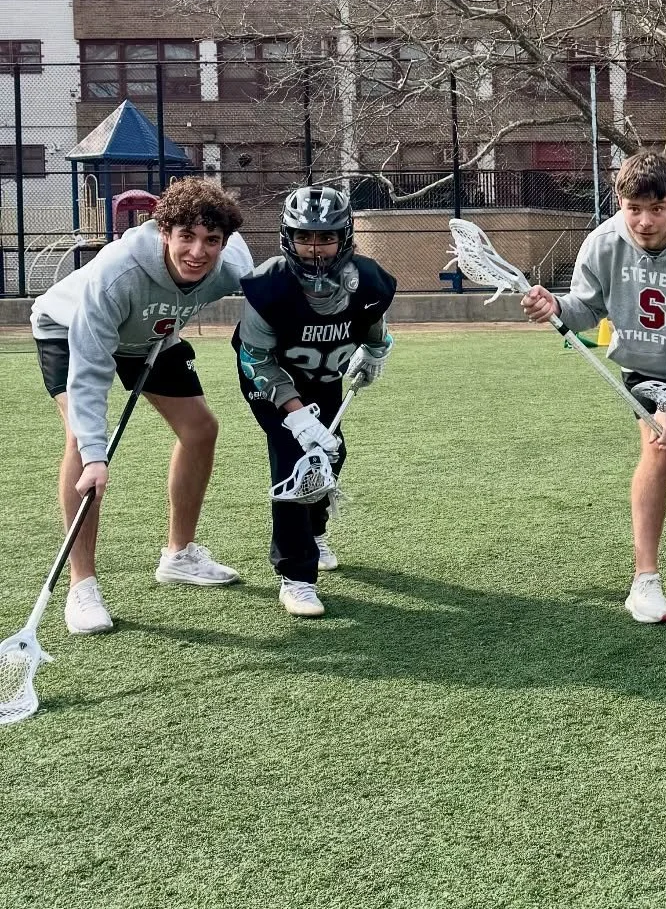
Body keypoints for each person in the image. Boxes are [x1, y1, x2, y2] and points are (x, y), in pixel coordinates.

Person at [520, 150, 666, 625]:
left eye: (656, 209)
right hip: (643, 365)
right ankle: (645, 581)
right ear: (619, 202)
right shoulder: (602, 243)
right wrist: (554, 307)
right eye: (632, 208)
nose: (643, 221)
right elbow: (584, 308)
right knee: (659, 450)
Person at [29, 176, 253, 634]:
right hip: (70, 328)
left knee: (200, 429)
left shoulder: (231, 266)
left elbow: (272, 298)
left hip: (152, 334)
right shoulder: (118, 273)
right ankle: (82, 584)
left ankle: (179, 555)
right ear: (163, 231)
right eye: (186, 237)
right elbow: (90, 370)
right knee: (81, 437)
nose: (198, 252)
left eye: (212, 240)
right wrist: (95, 455)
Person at [234, 185, 397, 618]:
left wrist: (375, 349)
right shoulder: (270, 286)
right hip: (273, 379)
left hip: (325, 377)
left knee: (332, 453)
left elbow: (371, 322)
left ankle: (316, 530)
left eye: (325, 236)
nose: (315, 247)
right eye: (305, 236)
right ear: (288, 237)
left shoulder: (370, 280)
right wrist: (294, 413)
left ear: (345, 236)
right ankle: (296, 578)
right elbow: (255, 358)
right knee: (298, 464)